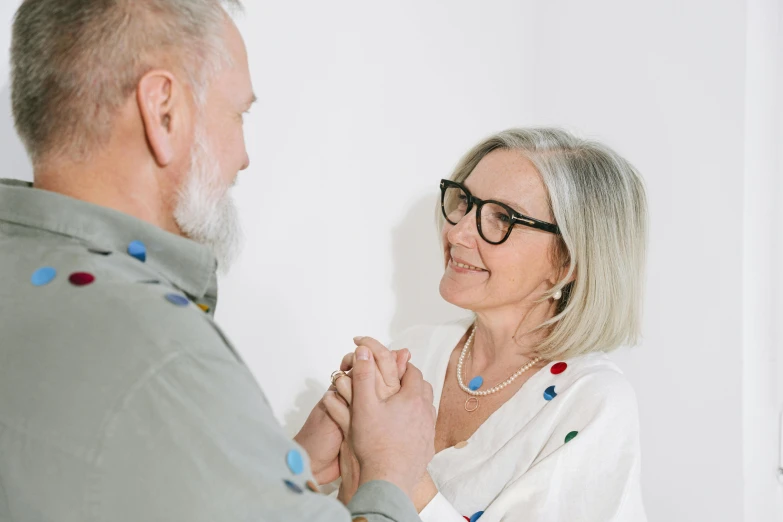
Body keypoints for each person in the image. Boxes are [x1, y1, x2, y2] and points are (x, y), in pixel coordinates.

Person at [0, 1, 435, 521]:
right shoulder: (164, 355)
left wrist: (278, 468)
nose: (244, 155)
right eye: (238, 113)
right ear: (164, 111)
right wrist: (391, 471)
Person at [325, 128, 649, 521]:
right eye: (465, 201)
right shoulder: (415, 352)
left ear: (569, 261)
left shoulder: (592, 402)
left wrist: (397, 470)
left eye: (502, 217)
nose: (457, 231)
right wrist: (318, 458)